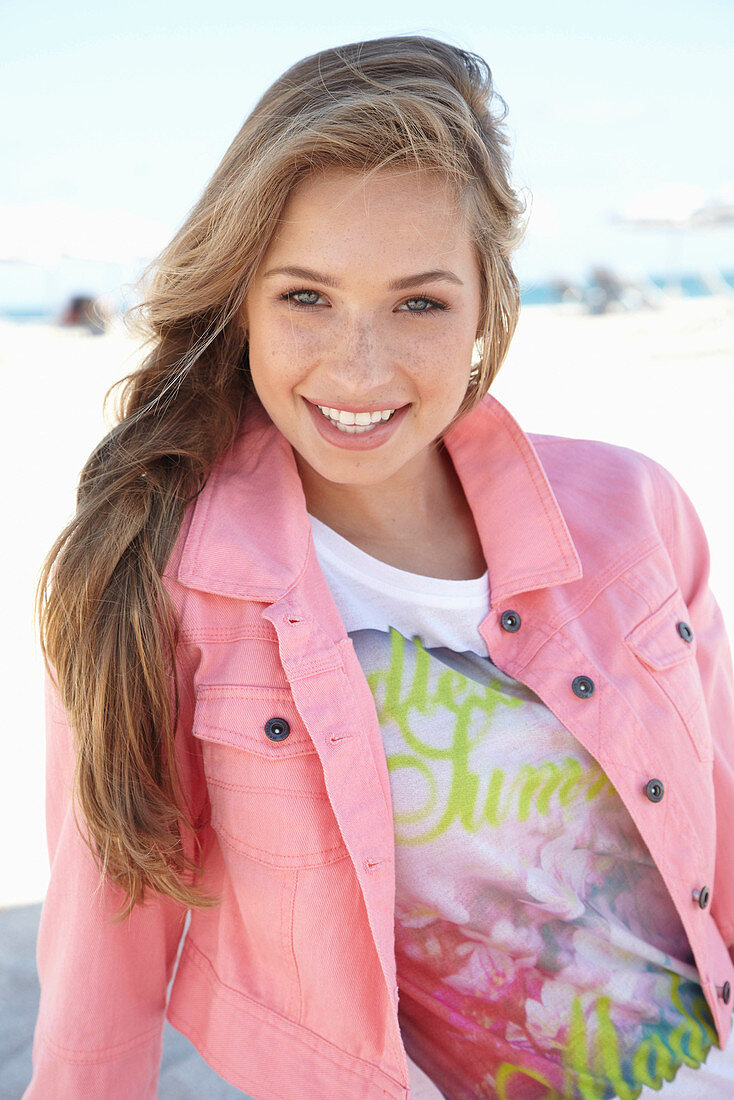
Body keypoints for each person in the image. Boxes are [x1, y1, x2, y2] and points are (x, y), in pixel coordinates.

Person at [24, 35, 734, 1100]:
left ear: (485, 305)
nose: (358, 369)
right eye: (306, 297)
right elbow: (101, 958)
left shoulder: (635, 515)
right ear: (241, 302)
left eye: (418, 303)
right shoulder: (153, 577)